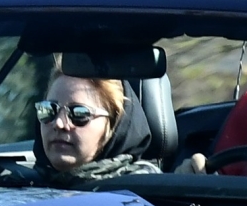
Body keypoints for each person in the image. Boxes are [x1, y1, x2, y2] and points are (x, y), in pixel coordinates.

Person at [33, 71, 163, 182]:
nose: (59, 123)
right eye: (49, 110)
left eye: (79, 113)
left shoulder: (143, 194)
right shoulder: (25, 186)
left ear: (114, 125)